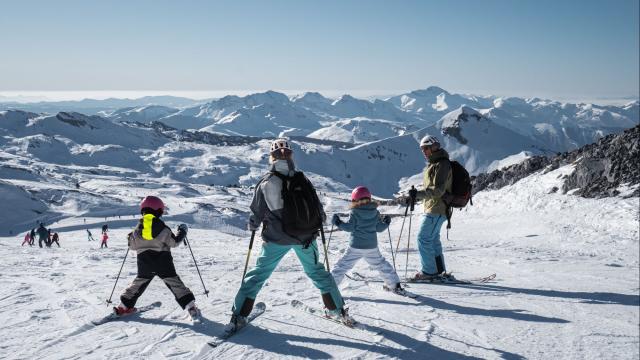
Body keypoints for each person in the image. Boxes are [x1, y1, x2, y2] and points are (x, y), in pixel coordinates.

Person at [226, 138, 349, 331]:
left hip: (276, 239)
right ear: (290, 155)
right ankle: (337, 311)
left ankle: (239, 315)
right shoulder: (303, 178)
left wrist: (253, 226)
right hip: (305, 238)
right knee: (317, 272)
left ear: (272, 157)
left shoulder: (267, 182)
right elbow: (317, 207)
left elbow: (256, 214)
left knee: (258, 275)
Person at [114, 196, 200, 321]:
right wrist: (182, 232)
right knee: (176, 284)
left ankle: (123, 307)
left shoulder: (137, 230)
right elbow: (174, 242)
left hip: (144, 264)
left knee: (137, 285)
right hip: (163, 263)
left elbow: (132, 246)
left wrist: (130, 238)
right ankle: (191, 308)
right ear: (159, 210)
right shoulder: (162, 228)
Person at [331, 186, 405, 294]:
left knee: (342, 265)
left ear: (355, 199)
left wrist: (338, 222)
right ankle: (394, 284)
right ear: (369, 198)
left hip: (355, 246)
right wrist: (386, 222)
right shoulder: (375, 212)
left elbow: (349, 228)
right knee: (381, 264)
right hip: (371, 247)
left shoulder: (354, 212)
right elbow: (379, 228)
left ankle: (330, 287)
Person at [410, 135, 453, 280]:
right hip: (435, 208)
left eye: (426, 148)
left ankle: (429, 272)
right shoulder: (434, 164)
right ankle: (439, 270)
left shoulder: (442, 164)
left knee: (423, 238)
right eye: (422, 149)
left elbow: (438, 190)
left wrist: (418, 194)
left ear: (435, 147)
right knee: (433, 240)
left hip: (437, 208)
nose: (424, 151)